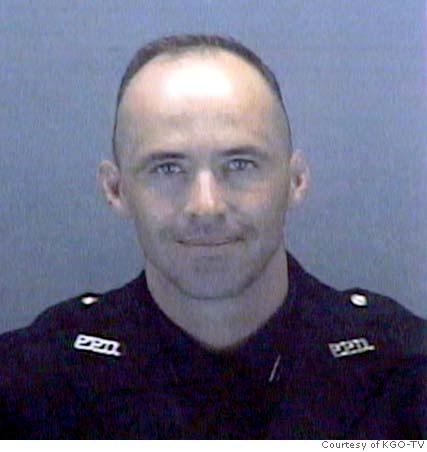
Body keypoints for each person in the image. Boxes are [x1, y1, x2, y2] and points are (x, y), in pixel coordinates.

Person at [0, 34, 425, 439]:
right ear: (116, 190)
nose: (206, 206)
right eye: (167, 168)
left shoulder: (404, 374)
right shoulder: (33, 384)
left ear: (295, 180)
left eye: (239, 164)